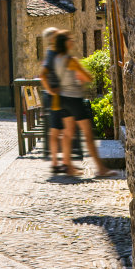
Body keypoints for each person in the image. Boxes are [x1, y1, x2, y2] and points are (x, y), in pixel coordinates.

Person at [53, 30, 108, 178]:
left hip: (63, 99)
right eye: (70, 39)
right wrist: (81, 79)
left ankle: (68, 166)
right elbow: (88, 77)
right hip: (75, 99)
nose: (73, 41)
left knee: (68, 134)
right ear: (65, 43)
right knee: (88, 135)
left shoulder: (57, 59)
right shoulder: (71, 60)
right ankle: (101, 169)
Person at [37, 27, 64, 174]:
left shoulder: (55, 52)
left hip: (60, 95)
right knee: (56, 130)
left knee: (62, 130)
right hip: (55, 97)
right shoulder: (52, 53)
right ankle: (55, 161)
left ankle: (60, 161)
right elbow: (42, 74)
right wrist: (50, 90)